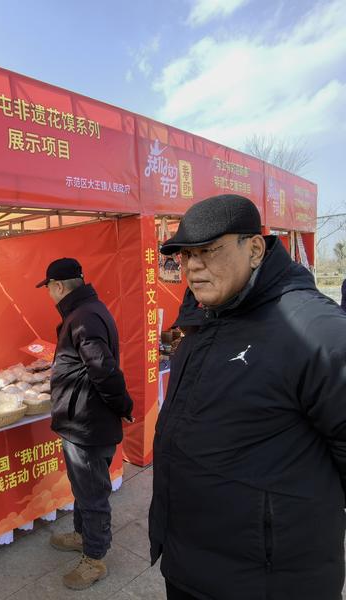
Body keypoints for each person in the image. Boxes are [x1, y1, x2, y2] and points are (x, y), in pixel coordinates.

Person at [149, 194, 346, 600]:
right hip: (187, 562)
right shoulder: (203, 317)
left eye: (208, 250)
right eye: (186, 255)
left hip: (266, 579)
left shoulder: (315, 331)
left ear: (255, 249)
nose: (193, 266)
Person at [36, 257, 133, 590]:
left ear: (59, 286)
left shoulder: (83, 317)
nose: (49, 293)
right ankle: (82, 535)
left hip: (86, 423)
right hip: (82, 418)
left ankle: (94, 558)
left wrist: (123, 405)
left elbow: (103, 369)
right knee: (84, 486)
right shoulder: (85, 311)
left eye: (48, 287)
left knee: (92, 492)